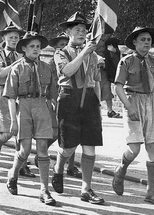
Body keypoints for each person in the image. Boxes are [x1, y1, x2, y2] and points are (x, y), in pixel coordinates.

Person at [51, 12, 104, 205]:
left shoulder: (93, 55)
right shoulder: (60, 53)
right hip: (69, 98)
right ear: (68, 32)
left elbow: (96, 80)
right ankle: (58, 168)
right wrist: (84, 53)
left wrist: (98, 105)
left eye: (84, 30)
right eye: (77, 30)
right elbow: (67, 71)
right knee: (68, 146)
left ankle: (86, 189)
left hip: (89, 99)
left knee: (90, 145)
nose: (82, 33)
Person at [112, 26, 154, 206]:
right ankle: (121, 170)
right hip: (133, 103)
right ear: (134, 42)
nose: (146, 43)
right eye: (142, 40)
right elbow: (118, 86)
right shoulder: (126, 61)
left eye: (148, 40)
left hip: (150, 103)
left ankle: (150, 192)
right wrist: (129, 106)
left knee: (152, 147)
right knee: (134, 149)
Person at [4, 32, 57, 206]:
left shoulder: (46, 67)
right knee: (25, 150)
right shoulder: (17, 68)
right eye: (32, 46)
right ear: (24, 49)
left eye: (38, 47)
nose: (36, 49)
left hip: (41, 106)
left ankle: (44, 190)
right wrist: (13, 120)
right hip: (24, 107)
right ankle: (13, 172)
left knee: (42, 147)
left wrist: (52, 110)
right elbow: (11, 97)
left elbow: (52, 93)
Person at [0, 23, 25, 170]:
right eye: (10, 37)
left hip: (21, 93)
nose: (14, 40)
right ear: (4, 38)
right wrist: (18, 64)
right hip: (4, 92)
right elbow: (1, 73)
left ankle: (21, 164)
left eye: (16, 37)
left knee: (23, 129)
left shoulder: (22, 53)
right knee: (8, 130)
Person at [45, 33, 81, 179]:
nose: (63, 47)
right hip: (56, 98)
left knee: (74, 134)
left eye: (65, 44)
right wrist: (50, 99)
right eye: (60, 45)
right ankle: (42, 151)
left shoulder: (76, 61)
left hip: (73, 98)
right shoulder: (50, 64)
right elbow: (48, 84)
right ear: (55, 48)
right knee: (55, 133)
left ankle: (71, 166)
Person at [100, 37, 122, 118]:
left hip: (106, 73)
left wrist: (115, 51)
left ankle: (110, 110)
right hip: (97, 72)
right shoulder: (94, 39)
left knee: (107, 91)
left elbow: (116, 61)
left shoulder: (111, 47)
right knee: (96, 91)